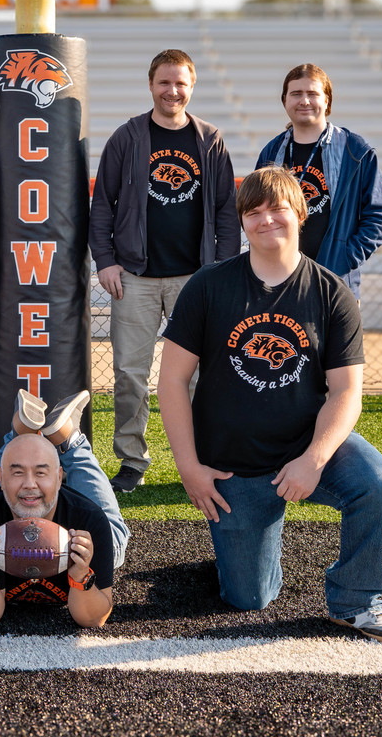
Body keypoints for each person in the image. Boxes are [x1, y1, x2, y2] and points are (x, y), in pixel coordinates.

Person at [157, 166, 382, 645]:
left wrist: (314, 459)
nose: (265, 219)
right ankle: (239, 550)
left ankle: (356, 601)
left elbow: (346, 392)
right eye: (253, 212)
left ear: (300, 212)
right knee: (249, 597)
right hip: (236, 465)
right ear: (243, 223)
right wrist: (188, 466)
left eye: (276, 208)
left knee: (378, 485)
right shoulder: (209, 286)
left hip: (306, 445)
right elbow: (171, 381)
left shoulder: (332, 293)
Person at [89, 48, 241, 494]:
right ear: (151, 84)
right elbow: (102, 207)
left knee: (199, 378)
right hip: (134, 277)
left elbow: (226, 213)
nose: (172, 91)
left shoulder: (210, 139)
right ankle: (132, 461)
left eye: (180, 83)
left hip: (195, 279)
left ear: (191, 87)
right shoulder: (127, 137)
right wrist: (107, 261)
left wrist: (222, 270)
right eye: (164, 82)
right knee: (130, 375)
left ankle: (197, 461)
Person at [0, 404, 118, 628]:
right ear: (0, 479)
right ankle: (19, 438)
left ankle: (70, 439)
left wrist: (81, 573)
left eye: (41, 472)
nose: (30, 484)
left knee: (115, 542)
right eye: (18, 473)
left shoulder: (89, 520)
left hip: (82, 513)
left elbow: (93, 619)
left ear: (60, 477)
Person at [255, 63, 382, 300]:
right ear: (284, 100)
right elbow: (255, 211)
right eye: (296, 94)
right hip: (280, 280)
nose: (304, 101)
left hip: (335, 281)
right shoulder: (272, 152)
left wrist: (345, 257)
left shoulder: (355, 151)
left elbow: (378, 217)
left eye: (313, 94)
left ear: (327, 100)